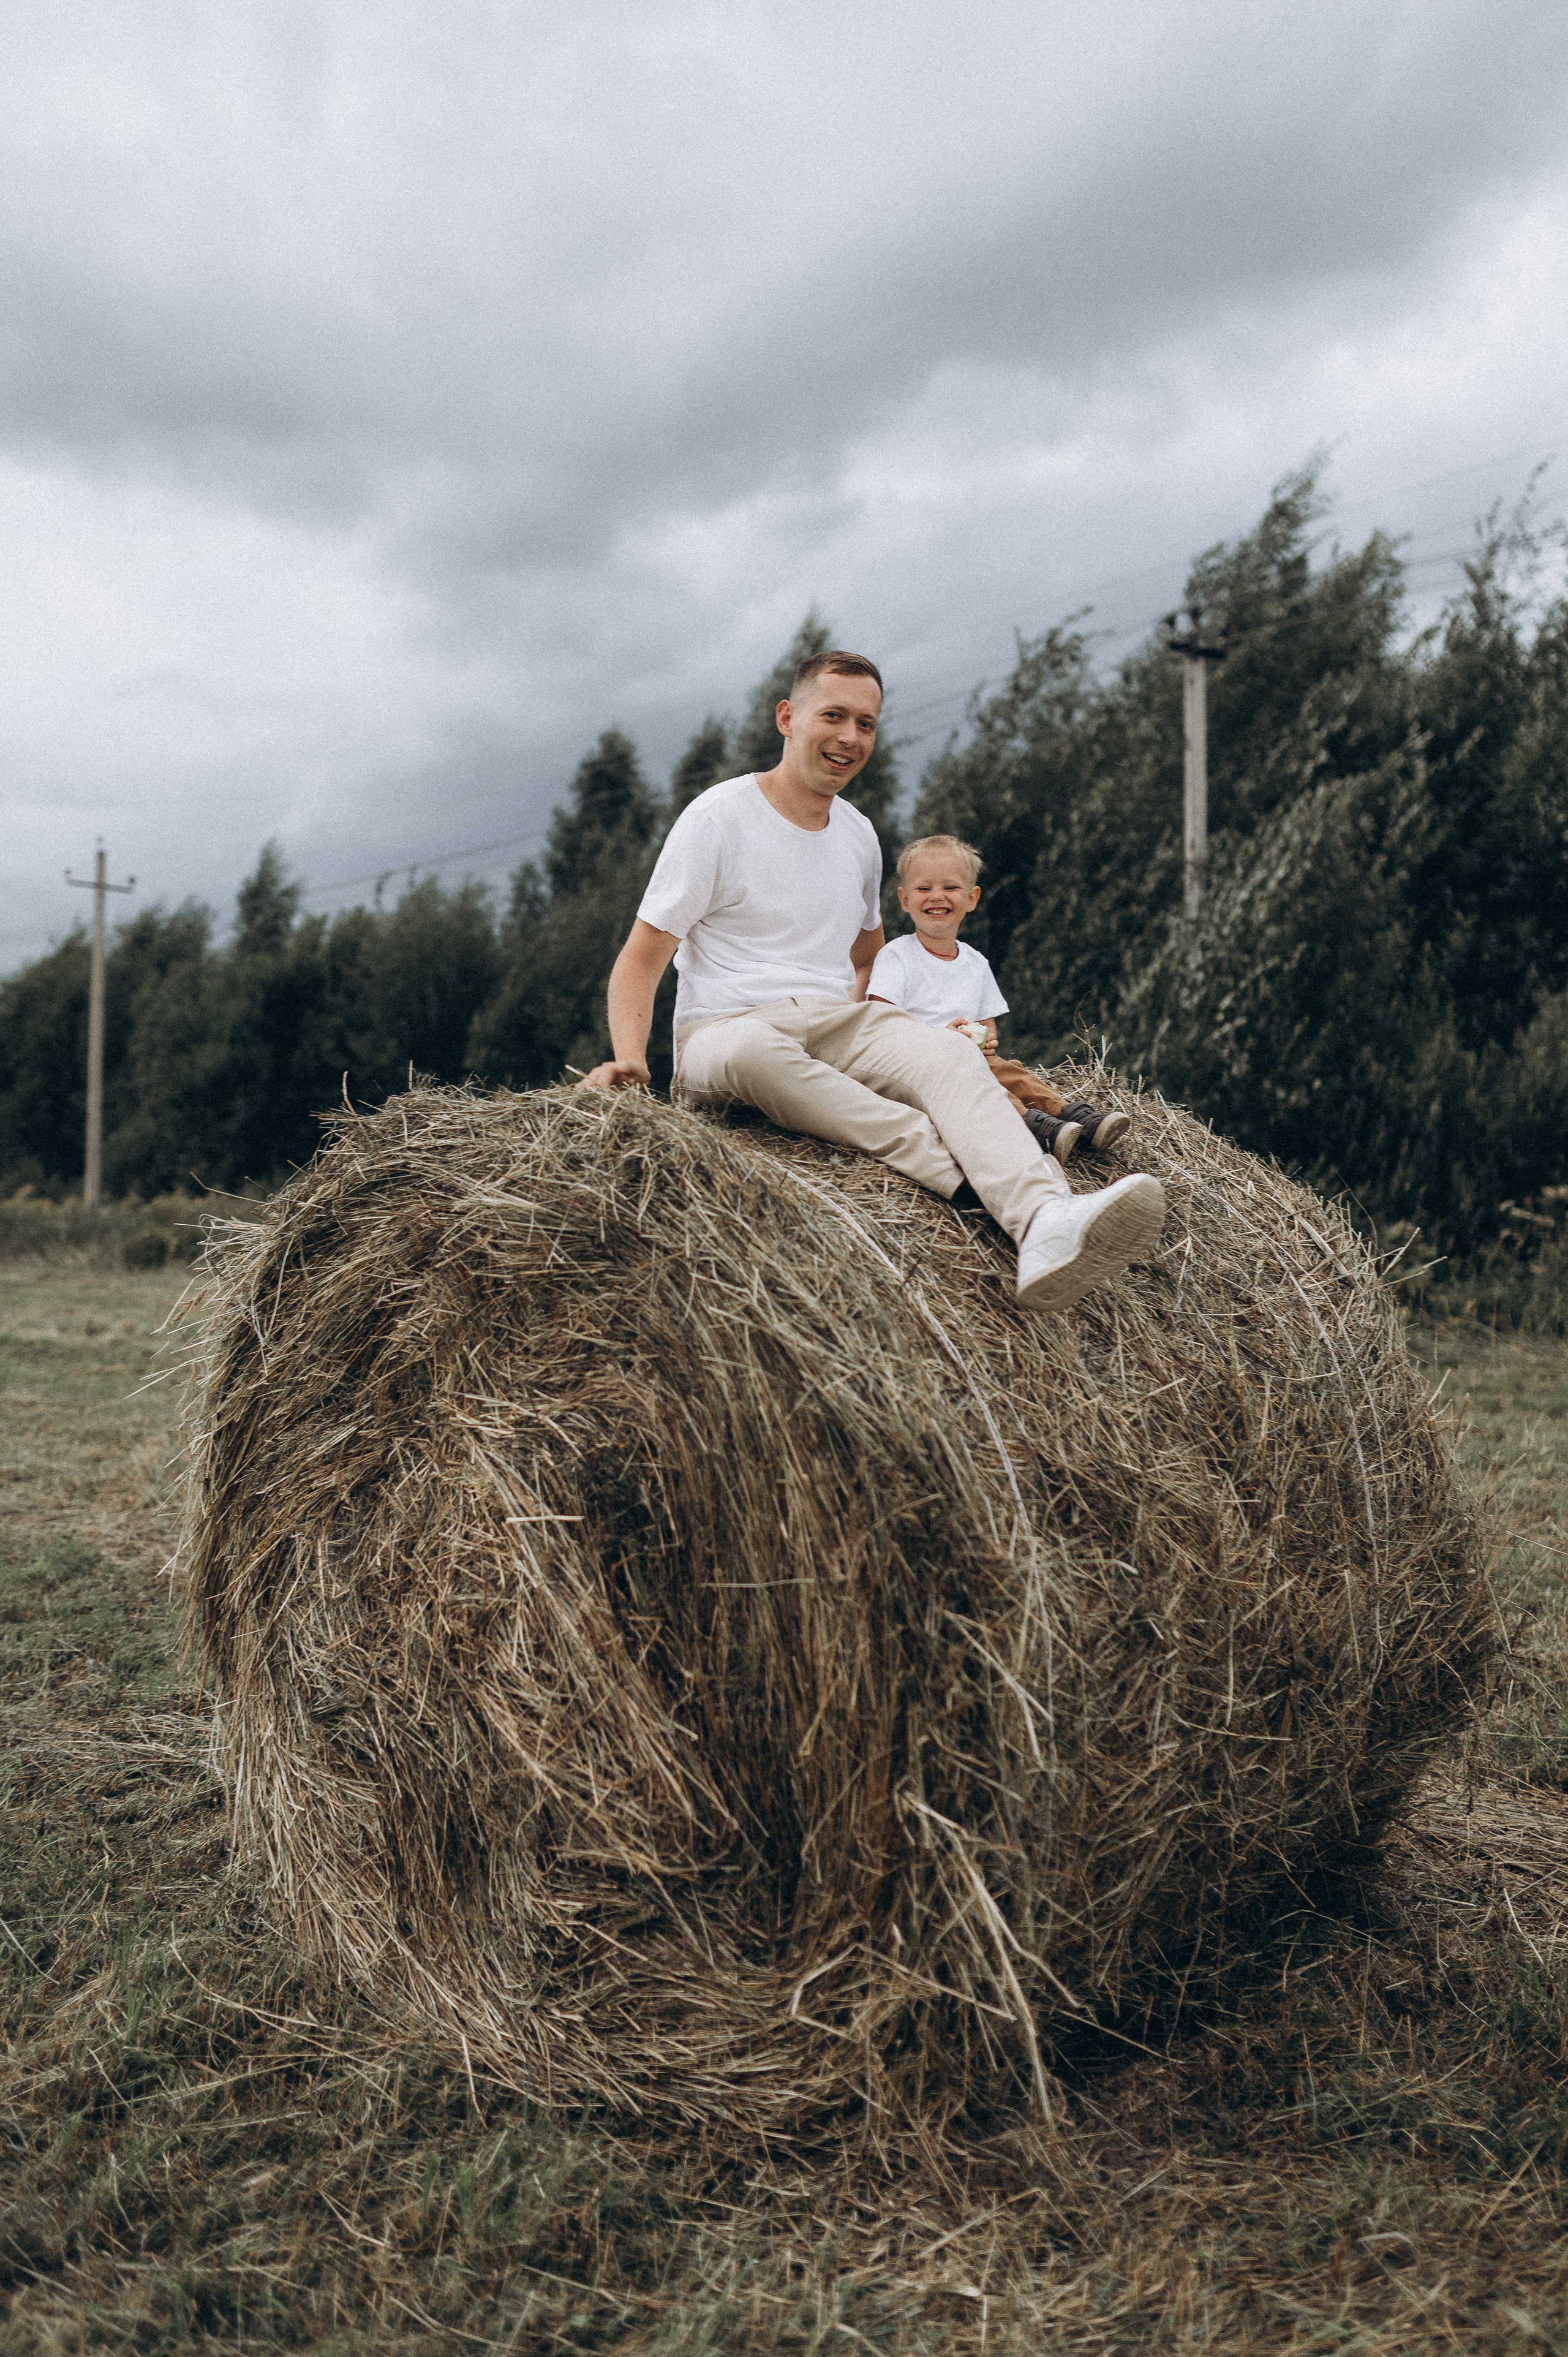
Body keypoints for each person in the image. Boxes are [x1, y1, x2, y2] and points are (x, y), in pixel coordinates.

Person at [579, 650, 1164, 1312]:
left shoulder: (858, 836)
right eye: (833, 716)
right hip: (724, 1034)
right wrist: (630, 1059)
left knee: (945, 1054)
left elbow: (868, 956)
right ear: (787, 719)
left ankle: (1044, 1221)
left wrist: (893, 1033)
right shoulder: (718, 818)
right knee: (753, 1053)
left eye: (866, 723)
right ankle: (955, 1173)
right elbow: (642, 956)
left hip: (833, 1022)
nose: (850, 738)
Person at [867, 833, 1131, 1166]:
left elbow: (988, 1026)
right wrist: (939, 1039)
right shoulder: (897, 956)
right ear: (904, 900)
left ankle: (1075, 1116)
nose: (937, 897)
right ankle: (1031, 1127)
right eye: (923, 889)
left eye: (950, 888)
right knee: (985, 1088)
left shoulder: (976, 963)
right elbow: (880, 1023)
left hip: (972, 1056)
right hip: (925, 1067)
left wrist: (984, 1037)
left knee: (1014, 1073)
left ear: (972, 898)